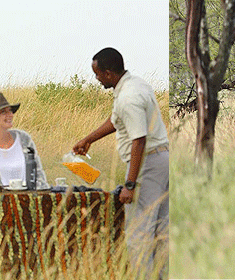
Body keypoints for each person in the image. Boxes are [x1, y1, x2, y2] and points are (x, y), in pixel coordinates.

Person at [73, 47, 169, 279]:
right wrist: (89, 139)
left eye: (97, 74)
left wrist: (130, 184)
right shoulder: (134, 84)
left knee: (138, 234)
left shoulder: (128, 97)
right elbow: (116, 119)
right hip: (163, 159)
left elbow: (139, 141)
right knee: (161, 231)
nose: (96, 78)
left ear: (108, 73)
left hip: (148, 163)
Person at [0, 92, 49, 189]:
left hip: (30, 199)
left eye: (10, 111)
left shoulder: (24, 139)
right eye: (3, 112)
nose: (10, 115)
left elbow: (39, 175)